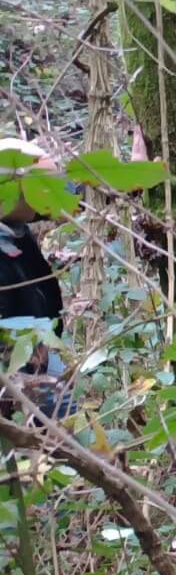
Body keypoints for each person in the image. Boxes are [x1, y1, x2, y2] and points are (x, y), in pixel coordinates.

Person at [0, 139, 77, 420]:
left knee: (64, 422)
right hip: (17, 362)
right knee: (61, 424)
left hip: (38, 351)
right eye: (36, 188)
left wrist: (136, 178)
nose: (45, 195)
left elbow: (72, 196)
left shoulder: (14, 223)